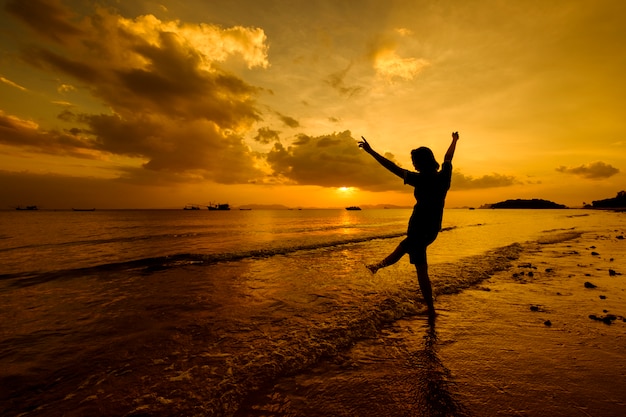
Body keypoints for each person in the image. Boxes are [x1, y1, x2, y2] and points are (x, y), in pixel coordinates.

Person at [358, 132, 459, 316]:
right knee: (404, 248)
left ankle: (431, 309)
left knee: (420, 269)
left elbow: (392, 168)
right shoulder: (444, 176)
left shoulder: (420, 179)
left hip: (421, 229)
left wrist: (371, 152)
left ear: (421, 162)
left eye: (414, 161)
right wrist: (454, 141)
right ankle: (377, 267)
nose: (413, 164)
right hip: (431, 228)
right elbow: (448, 157)